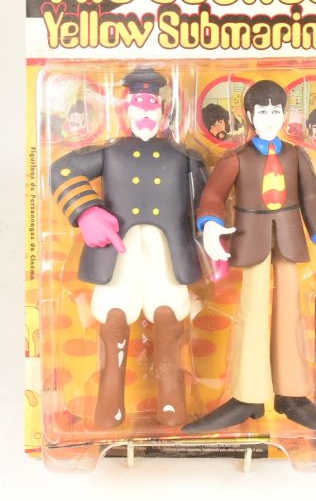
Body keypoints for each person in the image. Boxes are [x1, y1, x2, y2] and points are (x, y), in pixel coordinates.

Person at [51, 68, 206, 428]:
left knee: (168, 322)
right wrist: (86, 211)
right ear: (126, 109)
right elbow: (61, 170)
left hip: (167, 255)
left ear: (164, 110)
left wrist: (212, 234)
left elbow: (207, 200)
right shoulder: (111, 152)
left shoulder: (184, 156)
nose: (146, 111)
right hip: (118, 255)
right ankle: (108, 404)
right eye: (139, 102)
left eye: (152, 103)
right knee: (114, 322)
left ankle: (173, 403)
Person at [183, 80, 316, 433]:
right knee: (252, 312)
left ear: (284, 114)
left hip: (289, 236)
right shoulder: (236, 158)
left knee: (290, 311)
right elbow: (213, 196)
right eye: (263, 111)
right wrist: (210, 226)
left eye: (276, 111)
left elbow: (312, 199)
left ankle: (292, 395)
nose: (270, 118)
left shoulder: (296, 155)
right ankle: (248, 395)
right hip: (250, 237)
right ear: (250, 116)